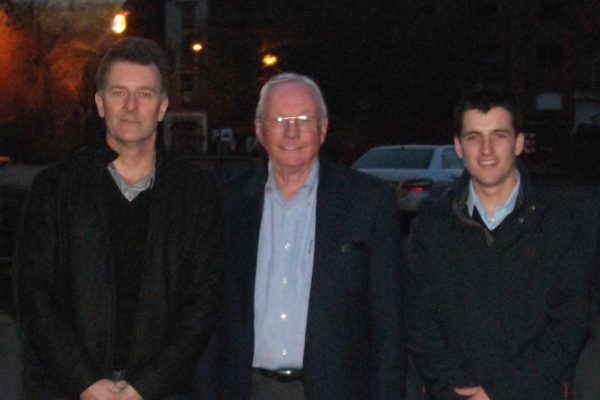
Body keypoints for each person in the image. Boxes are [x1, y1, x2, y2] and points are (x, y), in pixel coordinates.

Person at [14, 37, 223, 400]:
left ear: (162, 106)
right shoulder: (54, 188)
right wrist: (84, 382)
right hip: (67, 391)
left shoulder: (197, 196)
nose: (130, 107)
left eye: (144, 94)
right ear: (99, 103)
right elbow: (34, 294)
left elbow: (204, 301)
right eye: (118, 92)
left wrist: (147, 386)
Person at [215, 72, 405, 399]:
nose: (291, 131)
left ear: (323, 129)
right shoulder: (226, 202)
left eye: (304, 118)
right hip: (247, 389)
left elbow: (389, 323)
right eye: (279, 119)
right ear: (259, 130)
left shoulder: (368, 203)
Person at [405, 85, 590, 400]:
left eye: (499, 135)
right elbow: (419, 322)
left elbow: (570, 324)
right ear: (458, 146)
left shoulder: (561, 224)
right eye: (474, 137)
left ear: (519, 143)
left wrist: (501, 391)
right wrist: (458, 389)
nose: (486, 150)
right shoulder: (431, 228)